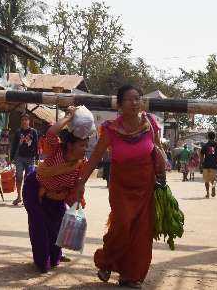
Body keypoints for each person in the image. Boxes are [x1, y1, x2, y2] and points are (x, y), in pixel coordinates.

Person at [76, 84, 166, 288]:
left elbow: (158, 149)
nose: (134, 103)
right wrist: (81, 183)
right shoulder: (111, 129)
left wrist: (162, 166)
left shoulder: (151, 123)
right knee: (122, 225)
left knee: (141, 232)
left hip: (146, 186)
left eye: (138, 98)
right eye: (129, 99)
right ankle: (106, 261)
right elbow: (95, 158)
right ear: (119, 104)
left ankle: (131, 276)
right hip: (121, 187)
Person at [24, 106, 90, 273]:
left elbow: (75, 189)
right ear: (70, 146)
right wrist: (68, 117)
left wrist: (76, 199)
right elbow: (51, 133)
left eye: (86, 145)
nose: (85, 149)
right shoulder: (57, 149)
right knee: (40, 230)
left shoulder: (80, 166)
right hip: (35, 191)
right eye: (82, 145)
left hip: (55, 200)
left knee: (55, 237)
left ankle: (54, 256)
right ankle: (41, 262)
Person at [10, 113, 40, 206]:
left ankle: (27, 197)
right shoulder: (18, 132)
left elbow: (36, 145)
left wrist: (37, 158)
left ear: (29, 121)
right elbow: (14, 145)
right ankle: (19, 197)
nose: (24, 121)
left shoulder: (33, 132)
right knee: (19, 177)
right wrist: (11, 158)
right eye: (22, 120)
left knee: (28, 178)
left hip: (30, 158)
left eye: (26, 120)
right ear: (21, 121)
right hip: (19, 157)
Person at [199, 132, 217, 198]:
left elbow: (202, 156)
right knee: (213, 179)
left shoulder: (205, 145)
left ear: (208, 137)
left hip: (206, 165)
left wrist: (201, 164)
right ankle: (213, 187)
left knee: (206, 180)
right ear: (214, 137)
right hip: (213, 165)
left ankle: (208, 193)